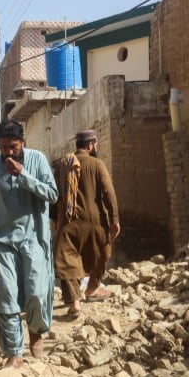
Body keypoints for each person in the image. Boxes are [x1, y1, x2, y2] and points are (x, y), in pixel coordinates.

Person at [0, 119, 58, 369]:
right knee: (6, 295)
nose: (8, 153)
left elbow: (52, 194)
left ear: (22, 142)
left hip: (33, 238)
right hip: (2, 240)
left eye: (13, 147)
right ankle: (14, 351)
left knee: (35, 292)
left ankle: (36, 332)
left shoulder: (37, 160)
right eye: (3, 148)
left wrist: (22, 174)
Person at [53, 129, 120, 318]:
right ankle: (92, 289)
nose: (96, 147)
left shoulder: (63, 165)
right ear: (90, 145)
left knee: (65, 259)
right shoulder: (97, 164)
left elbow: (54, 194)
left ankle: (75, 301)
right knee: (102, 253)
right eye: (96, 144)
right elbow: (109, 193)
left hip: (68, 221)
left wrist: (55, 219)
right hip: (95, 221)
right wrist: (114, 220)